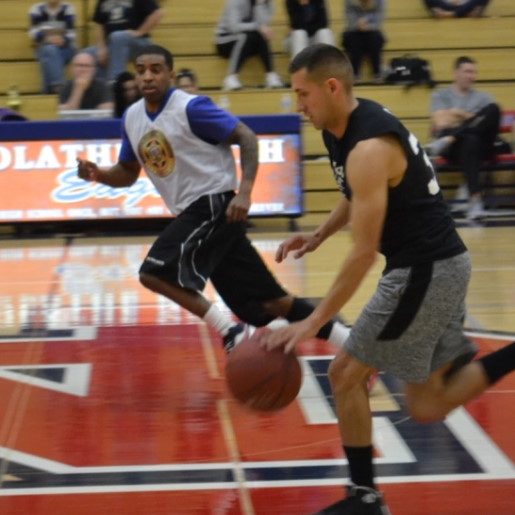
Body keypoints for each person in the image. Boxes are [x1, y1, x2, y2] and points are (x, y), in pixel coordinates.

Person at [261, 43, 515, 515]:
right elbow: (354, 192)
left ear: (331, 87)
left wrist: (312, 319)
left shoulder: (370, 146)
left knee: (345, 374)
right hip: (440, 265)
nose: (299, 105)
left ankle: (366, 499)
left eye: (303, 94)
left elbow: (361, 255)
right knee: (427, 405)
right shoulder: (341, 128)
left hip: (424, 272)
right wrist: (317, 235)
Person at [76, 44, 350, 354]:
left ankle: (229, 332)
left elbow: (245, 136)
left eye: (156, 70)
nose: (147, 77)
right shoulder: (132, 118)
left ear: (171, 75)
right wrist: (98, 174)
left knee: (153, 272)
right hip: (202, 216)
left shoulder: (191, 108)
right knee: (272, 304)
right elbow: (127, 173)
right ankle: (350, 341)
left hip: (213, 203)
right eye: (141, 71)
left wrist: (245, 191)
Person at [425, 56, 500, 220]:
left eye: (474, 72)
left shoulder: (484, 98)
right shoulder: (441, 95)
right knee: (471, 139)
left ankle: (451, 138)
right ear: (456, 73)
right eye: (467, 71)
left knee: (493, 109)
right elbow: (441, 122)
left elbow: (490, 121)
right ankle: (476, 202)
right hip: (455, 149)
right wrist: (474, 118)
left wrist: (457, 113)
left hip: (478, 145)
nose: (471, 76)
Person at [215, 0, 284, 90]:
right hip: (225, 39)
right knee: (245, 36)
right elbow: (234, 27)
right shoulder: (235, 1)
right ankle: (231, 77)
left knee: (261, 36)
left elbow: (264, 25)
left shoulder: (269, 4)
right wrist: (258, 27)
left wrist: (260, 5)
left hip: (248, 40)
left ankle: (270, 75)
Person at [87, 0, 164, 81]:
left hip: (139, 42)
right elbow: (99, 24)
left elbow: (158, 12)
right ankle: (103, 88)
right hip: (113, 44)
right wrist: (101, 48)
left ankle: (116, 81)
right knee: (88, 54)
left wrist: (140, 32)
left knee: (118, 37)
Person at [28, 0, 77, 94]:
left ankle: (47, 94)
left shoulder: (68, 9)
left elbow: (72, 32)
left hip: (65, 49)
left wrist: (63, 40)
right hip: (44, 48)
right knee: (49, 51)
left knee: (48, 57)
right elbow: (33, 32)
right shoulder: (36, 9)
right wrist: (47, 39)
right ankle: (60, 88)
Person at [342, 0, 386, 83]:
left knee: (375, 38)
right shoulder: (349, 1)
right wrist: (357, 25)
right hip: (353, 30)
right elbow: (349, 18)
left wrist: (368, 26)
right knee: (353, 38)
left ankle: (377, 72)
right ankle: (355, 73)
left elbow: (379, 20)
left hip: (372, 30)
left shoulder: (380, 1)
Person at [423, 0, 491, 18]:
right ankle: (463, 14)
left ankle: (450, 14)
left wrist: (461, 2)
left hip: (467, 6)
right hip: (446, 6)